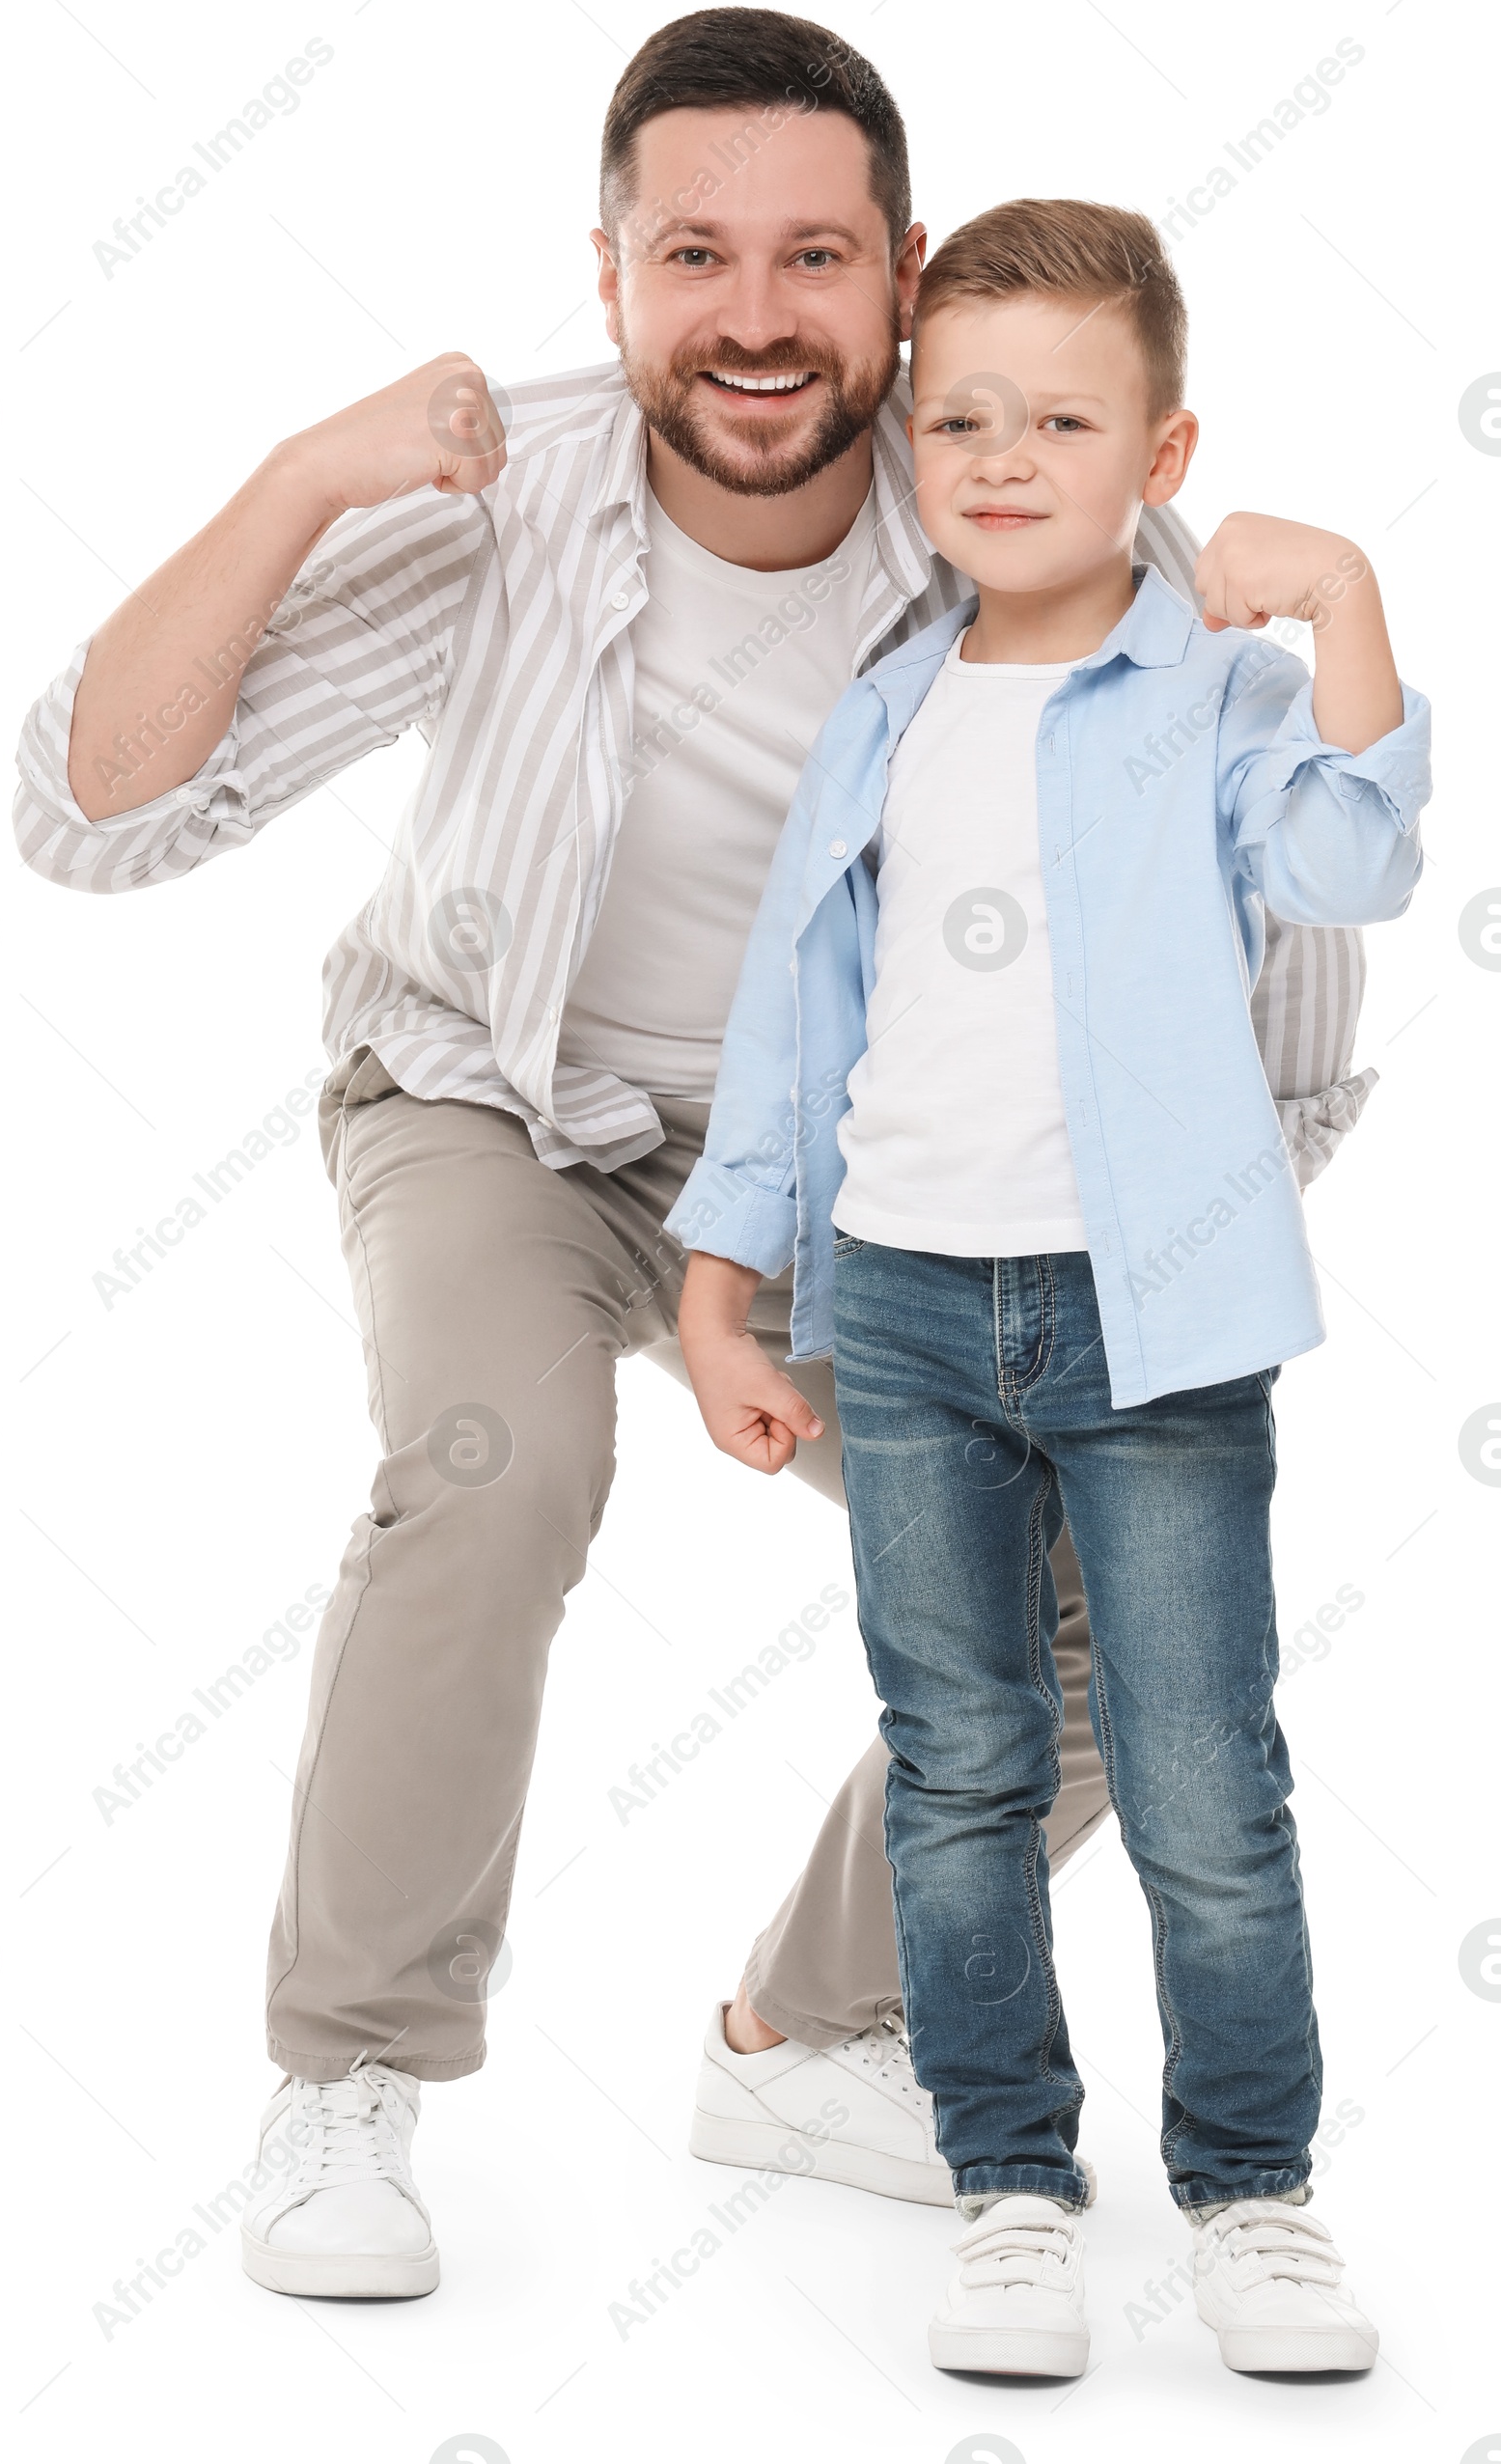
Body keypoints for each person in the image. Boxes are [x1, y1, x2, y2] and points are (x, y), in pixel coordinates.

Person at [14, 14, 1373, 2303]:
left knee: (1095, 1620)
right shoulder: (502, 501)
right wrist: (291, 476)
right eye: (692, 255)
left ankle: (805, 2024)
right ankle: (346, 2071)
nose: (754, 315)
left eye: (816, 256)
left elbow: (1283, 1013)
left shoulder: (1045, 533)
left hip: (865, 1198)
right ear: (613, 272)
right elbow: (87, 812)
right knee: (491, 1459)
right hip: (496, 1111)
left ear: (904, 276)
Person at [671, 197, 1429, 2378]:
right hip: (901, 1310)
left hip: (1146, 1316)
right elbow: (787, 1022)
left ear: (1159, 452)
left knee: (1198, 1769)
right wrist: (730, 1285)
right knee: (961, 1759)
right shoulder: (886, 709)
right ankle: (1004, 2176)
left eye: (1062, 418)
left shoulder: (1211, 694)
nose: (1003, 457)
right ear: (916, 441)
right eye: (962, 416)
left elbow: (1349, 859)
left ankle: (1253, 2195)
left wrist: (1353, 604)